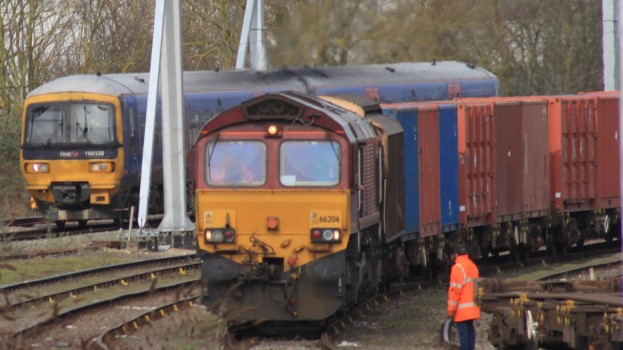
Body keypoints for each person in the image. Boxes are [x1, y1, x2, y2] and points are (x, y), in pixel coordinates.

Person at [447, 243, 480, 350]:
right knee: (470, 329)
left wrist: (451, 309)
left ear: (456, 254)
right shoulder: (473, 266)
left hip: (462, 309)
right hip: (473, 306)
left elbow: (455, 291)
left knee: (464, 332)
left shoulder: (457, 268)